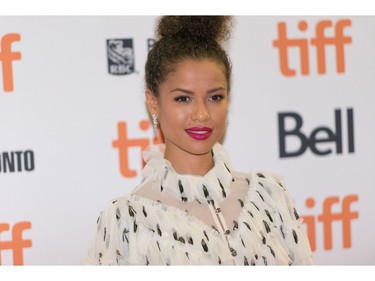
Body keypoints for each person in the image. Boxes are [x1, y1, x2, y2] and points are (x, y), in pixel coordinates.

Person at [82, 16, 313, 265]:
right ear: (153, 102)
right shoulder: (127, 221)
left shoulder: (268, 196)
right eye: (183, 99)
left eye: (215, 97)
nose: (202, 114)